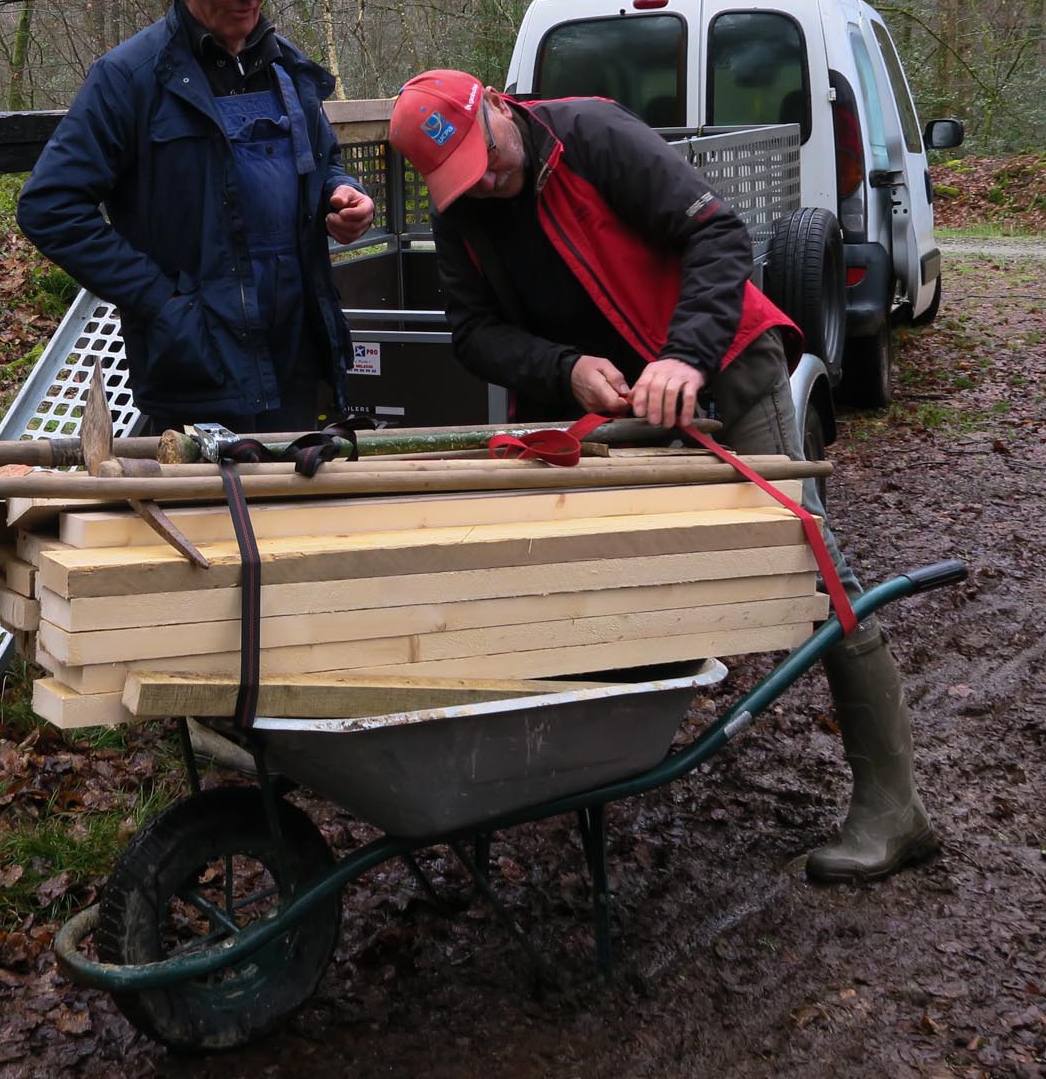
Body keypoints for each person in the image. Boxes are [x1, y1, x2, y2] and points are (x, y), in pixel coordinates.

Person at [387, 69, 939, 883]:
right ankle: (590, 769)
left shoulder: (595, 135)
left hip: (722, 367)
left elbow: (718, 235)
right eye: (464, 178)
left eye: (490, 158)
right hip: (610, 406)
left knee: (815, 570)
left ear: (498, 108)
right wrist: (565, 366)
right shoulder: (464, 212)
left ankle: (897, 810)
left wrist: (683, 355)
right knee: (604, 573)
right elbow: (474, 333)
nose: (488, 180)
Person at [17, 0, 375, 435]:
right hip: (198, 363)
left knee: (289, 512)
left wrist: (341, 194)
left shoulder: (287, 69)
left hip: (297, 354)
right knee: (206, 517)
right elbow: (49, 208)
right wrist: (163, 302)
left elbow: (324, 164)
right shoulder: (130, 79)